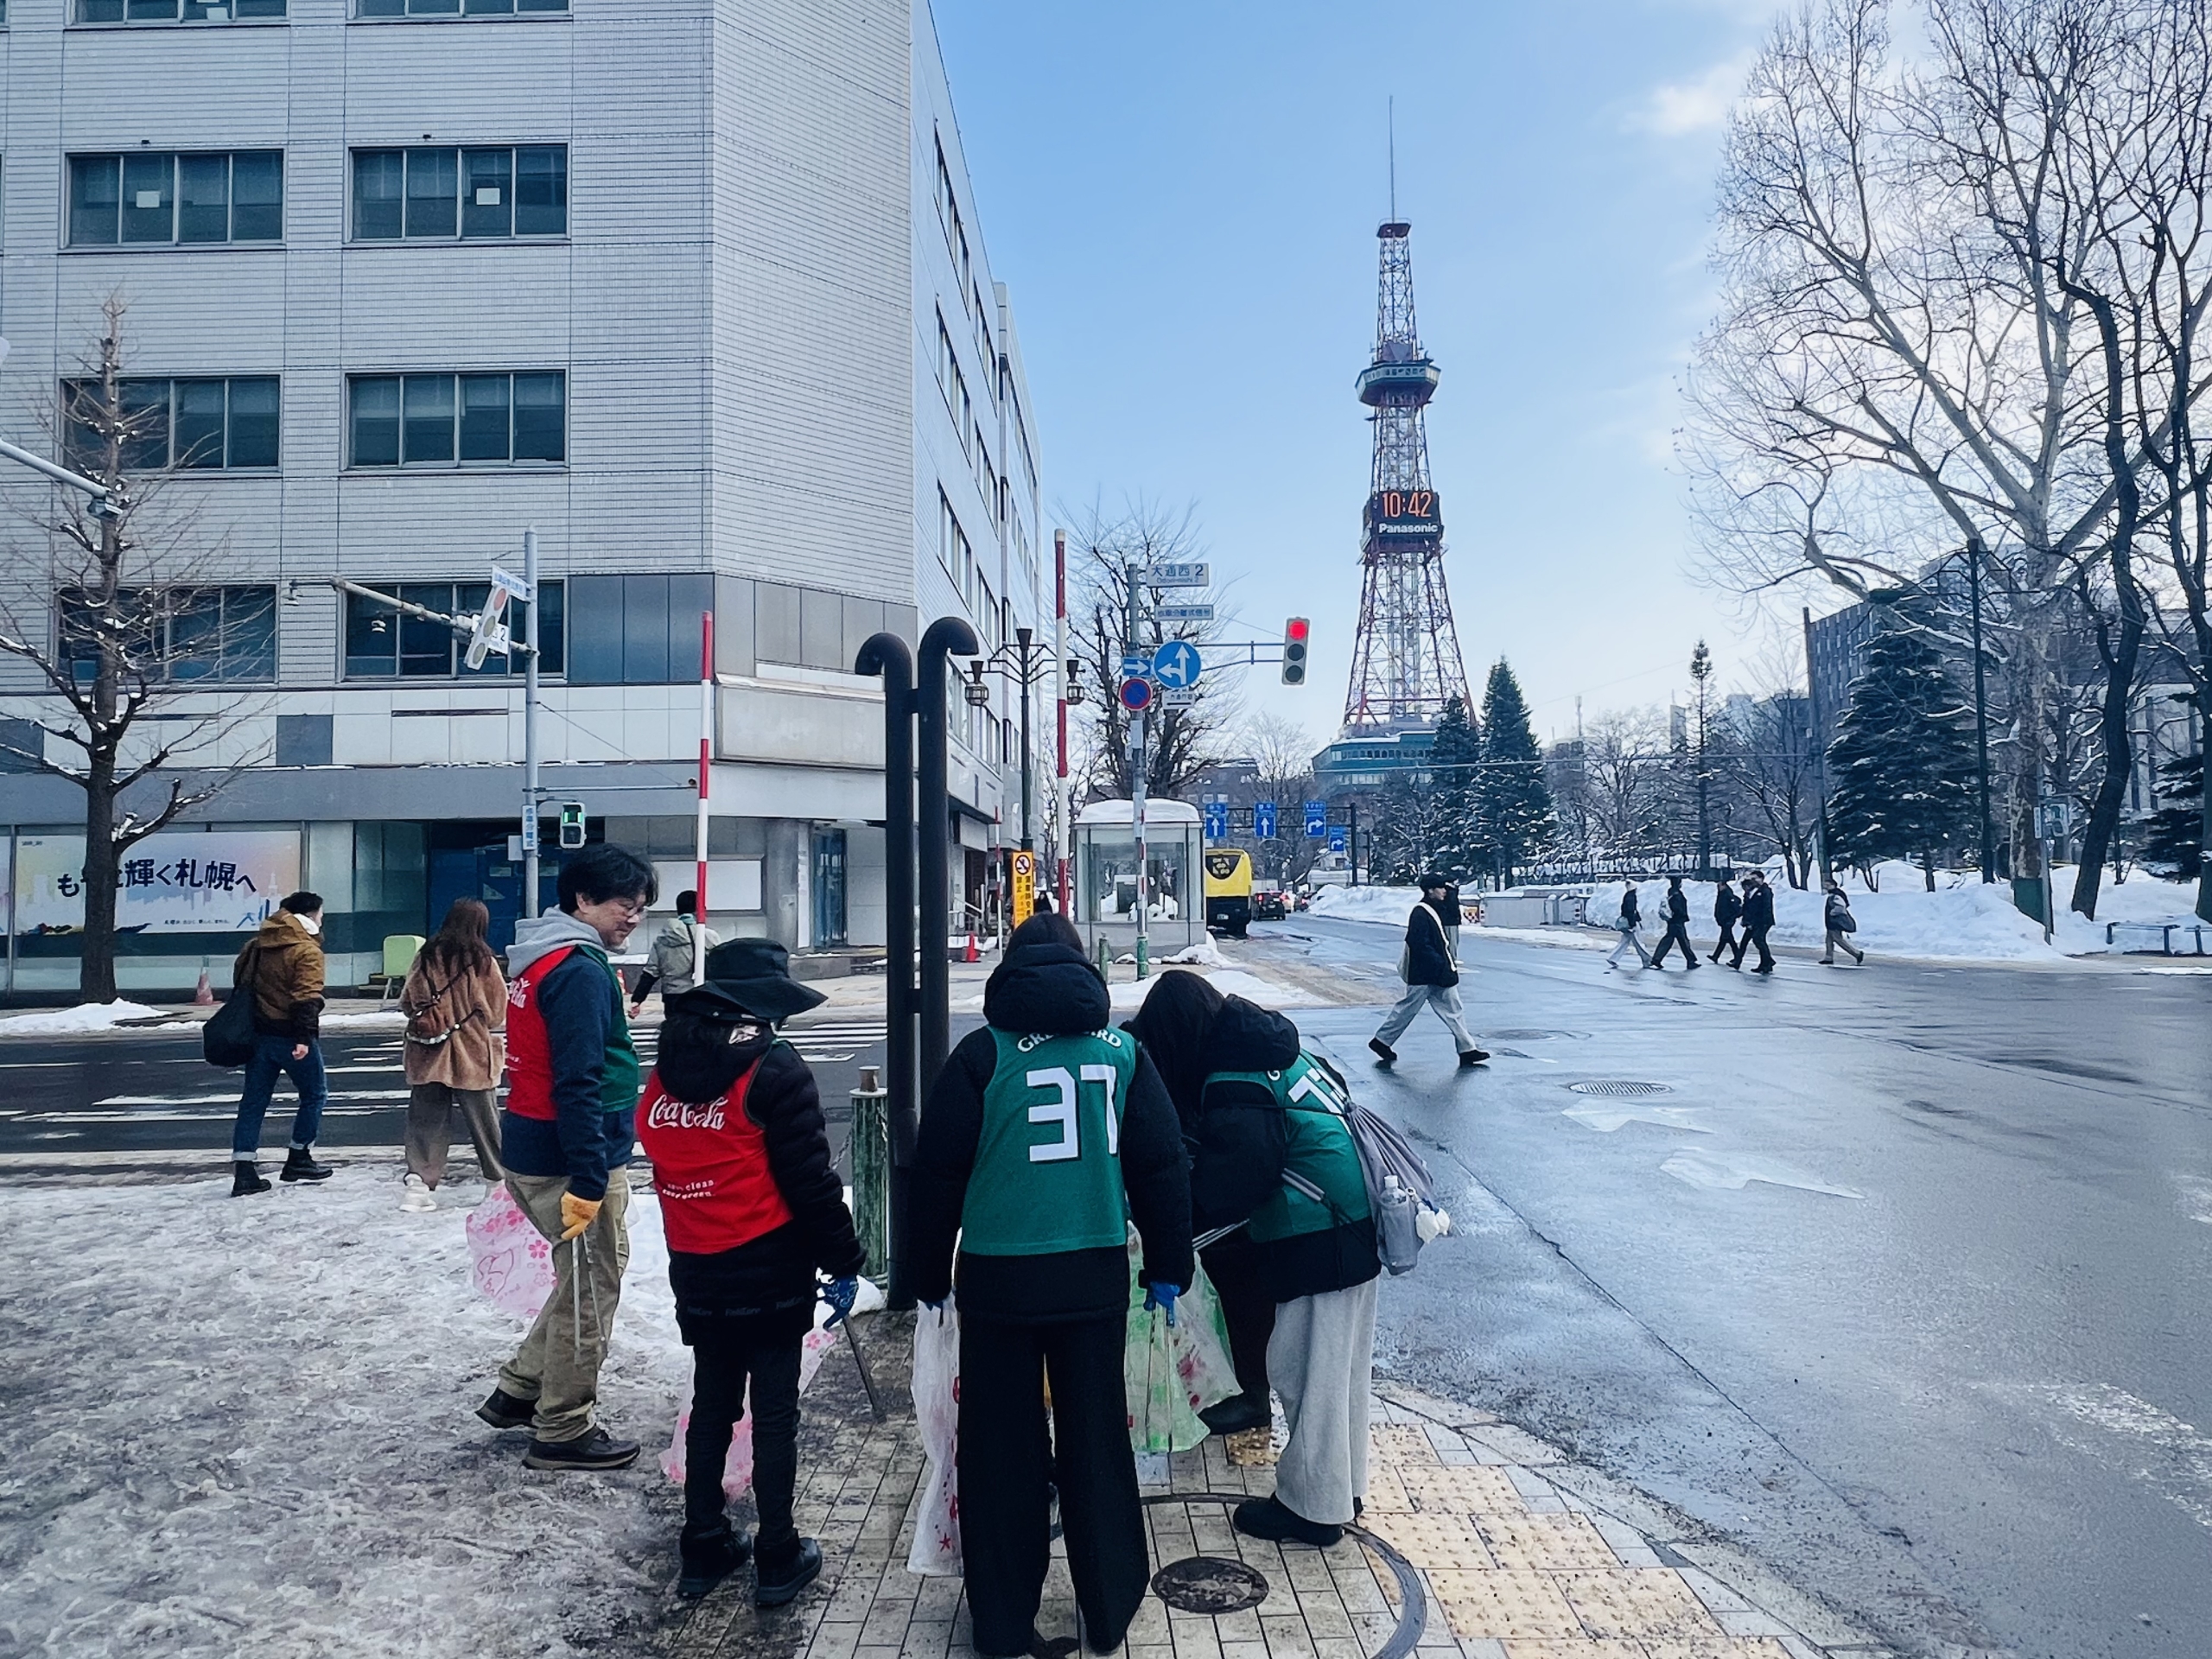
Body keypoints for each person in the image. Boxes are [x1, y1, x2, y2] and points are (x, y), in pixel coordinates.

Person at [909, 912, 1192, 1658]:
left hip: (999, 1279)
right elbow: (1161, 1167)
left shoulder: (983, 1055)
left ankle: (1002, 1625)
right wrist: (1168, 1265)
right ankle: (1108, 1609)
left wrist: (924, 1272)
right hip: (1094, 1272)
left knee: (1001, 1449)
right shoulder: (1122, 1053)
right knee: (1097, 1440)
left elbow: (936, 1172)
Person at [634, 937, 865, 1607]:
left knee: (712, 1405)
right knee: (773, 1414)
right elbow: (810, 1184)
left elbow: (659, 1140)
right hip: (768, 1266)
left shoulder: (669, 1065)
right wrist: (845, 1260)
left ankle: (703, 1543)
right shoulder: (773, 1068)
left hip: (698, 1264)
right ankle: (777, 1552)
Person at [477, 843, 656, 1471]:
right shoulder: (578, 970)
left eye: (639, 908)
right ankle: (562, 1428)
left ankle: (520, 1391)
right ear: (582, 900)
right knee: (591, 1288)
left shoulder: (541, 956)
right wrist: (587, 1173)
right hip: (570, 1155)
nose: (631, 917)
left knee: (583, 1275)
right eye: (620, 904)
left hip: (536, 1142)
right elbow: (577, 1079)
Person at [1222, 1042, 1381, 1548]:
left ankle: (1311, 1510)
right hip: (1357, 1226)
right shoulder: (1297, 1059)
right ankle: (1344, 1489)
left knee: (1306, 1373)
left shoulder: (1240, 1079)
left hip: (1319, 1241)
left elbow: (1242, 1177)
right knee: (1345, 1374)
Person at [1124, 974, 1287, 1438]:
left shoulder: (1232, 1073)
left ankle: (1251, 1397)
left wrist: (1172, 1224)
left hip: (1312, 1212)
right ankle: (1243, 1388)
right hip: (1307, 1202)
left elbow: (1236, 1180)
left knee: (1229, 1259)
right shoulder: (1240, 1043)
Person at [397, 898, 507, 1211]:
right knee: (485, 1122)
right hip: (472, 1052)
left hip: (428, 1051)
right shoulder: (483, 961)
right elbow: (497, 1012)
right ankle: (496, 1183)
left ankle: (418, 1186)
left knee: (425, 1122)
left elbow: (408, 1002)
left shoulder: (427, 955)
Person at [229, 890, 335, 1197]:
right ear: (311, 916)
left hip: (259, 1035)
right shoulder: (306, 951)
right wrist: (303, 1037)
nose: (322, 918)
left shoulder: (257, 945)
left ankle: (245, 1170)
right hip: (291, 1037)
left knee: (253, 1102)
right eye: (320, 914)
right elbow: (307, 997)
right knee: (314, 1094)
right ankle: (299, 1157)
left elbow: (242, 981)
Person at [1368, 874, 1488, 1068]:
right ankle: (1381, 1041)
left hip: (1436, 973)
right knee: (1408, 1009)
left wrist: (1451, 896)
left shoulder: (1433, 909)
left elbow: (1452, 919)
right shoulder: (1420, 913)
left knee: (1453, 1010)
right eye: (1441, 888)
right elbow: (1419, 944)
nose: (1444, 892)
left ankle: (1467, 1049)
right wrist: (1440, 965)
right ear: (1430, 890)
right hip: (1424, 973)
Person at [628, 890, 719, 1020]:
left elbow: (650, 973)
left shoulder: (663, 938)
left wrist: (637, 1000)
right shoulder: (709, 937)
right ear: (699, 909)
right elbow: (721, 968)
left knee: (675, 1035)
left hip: (672, 997)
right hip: (701, 996)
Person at [1649, 875, 1700, 969]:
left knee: (1671, 940)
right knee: (1682, 941)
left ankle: (1657, 959)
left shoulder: (1672, 892)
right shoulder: (1677, 894)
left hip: (1674, 921)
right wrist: (1682, 914)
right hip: (1677, 921)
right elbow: (1677, 908)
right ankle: (1690, 961)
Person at [1732, 871, 1777, 974]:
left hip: (1762, 921)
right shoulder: (1750, 891)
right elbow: (1747, 907)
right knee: (1745, 942)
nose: (1752, 881)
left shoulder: (1765, 891)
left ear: (1761, 879)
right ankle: (1765, 962)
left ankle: (1767, 963)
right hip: (1752, 921)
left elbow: (1765, 908)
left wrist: (1758, 922)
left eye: (1755, 878)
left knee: (1759, 940)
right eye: (1751, 878)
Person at [1605, 880, 1653, 971]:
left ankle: (1613, 958)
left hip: (1627, 923)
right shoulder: (1632, 897)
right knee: (1638, 942)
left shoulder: (1627, 896)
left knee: (1623, 942)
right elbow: (1631, 911)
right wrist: (1633, 923)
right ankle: (1647, 960)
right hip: (1632, 923)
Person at [1822, 882, 1866, 965]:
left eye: (1828, 885)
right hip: (1832, 921)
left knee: (1838, 939)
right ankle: (1828, 957)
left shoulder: (1836, 895)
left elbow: (1841, 907)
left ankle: (1856, 954)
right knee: (1829, 939)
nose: (1826, 886)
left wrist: (1833, 913)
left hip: (1835, 921)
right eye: (1825, 885)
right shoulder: (1833, 894)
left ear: (1834, 885)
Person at [1709, 875, 1742, 964]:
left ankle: (1717, 956)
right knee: (1728, 939)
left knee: (1725, 938)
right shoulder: (1722, 894)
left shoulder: (1727, 895)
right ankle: (1736, 956)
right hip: (1724, 920)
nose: (1718, 887)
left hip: (1727, 920)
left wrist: (1732, 917)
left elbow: (1735, 908)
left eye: (1719, 885)